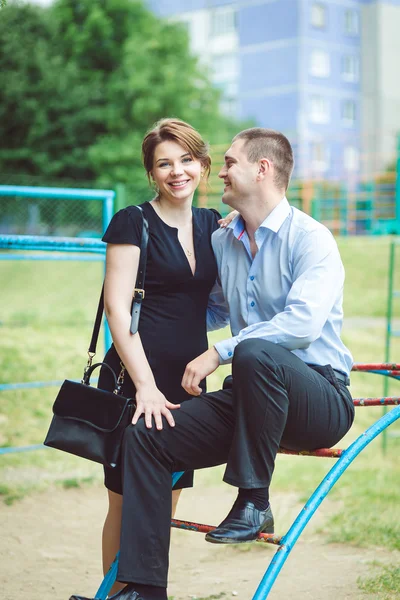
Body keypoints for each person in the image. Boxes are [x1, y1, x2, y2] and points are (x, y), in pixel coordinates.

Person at [70, 128, 354, 600]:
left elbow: (301, 326)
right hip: (252, 393)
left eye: (227, 162)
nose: (217, 170)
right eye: (166, 163)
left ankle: (253, 500)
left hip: (318, 397)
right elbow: (210, 305)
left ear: (261, 169)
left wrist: (218, 351)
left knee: (255, 351)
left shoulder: (312, 239)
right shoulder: (226, 240)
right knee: (147, 437)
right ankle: (142, 589)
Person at [96, 118, 230, 596]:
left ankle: (146, 589)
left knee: (164, 500)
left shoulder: (214, 223)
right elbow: (117, 310)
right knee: (125, 500)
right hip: (137, 379)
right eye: (164, 164)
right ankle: (117, 592)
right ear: (151, 173)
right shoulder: (133, 221)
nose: (177, 172)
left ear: (203, 165)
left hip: (188, 381)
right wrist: (146, 387)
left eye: (186, 160)